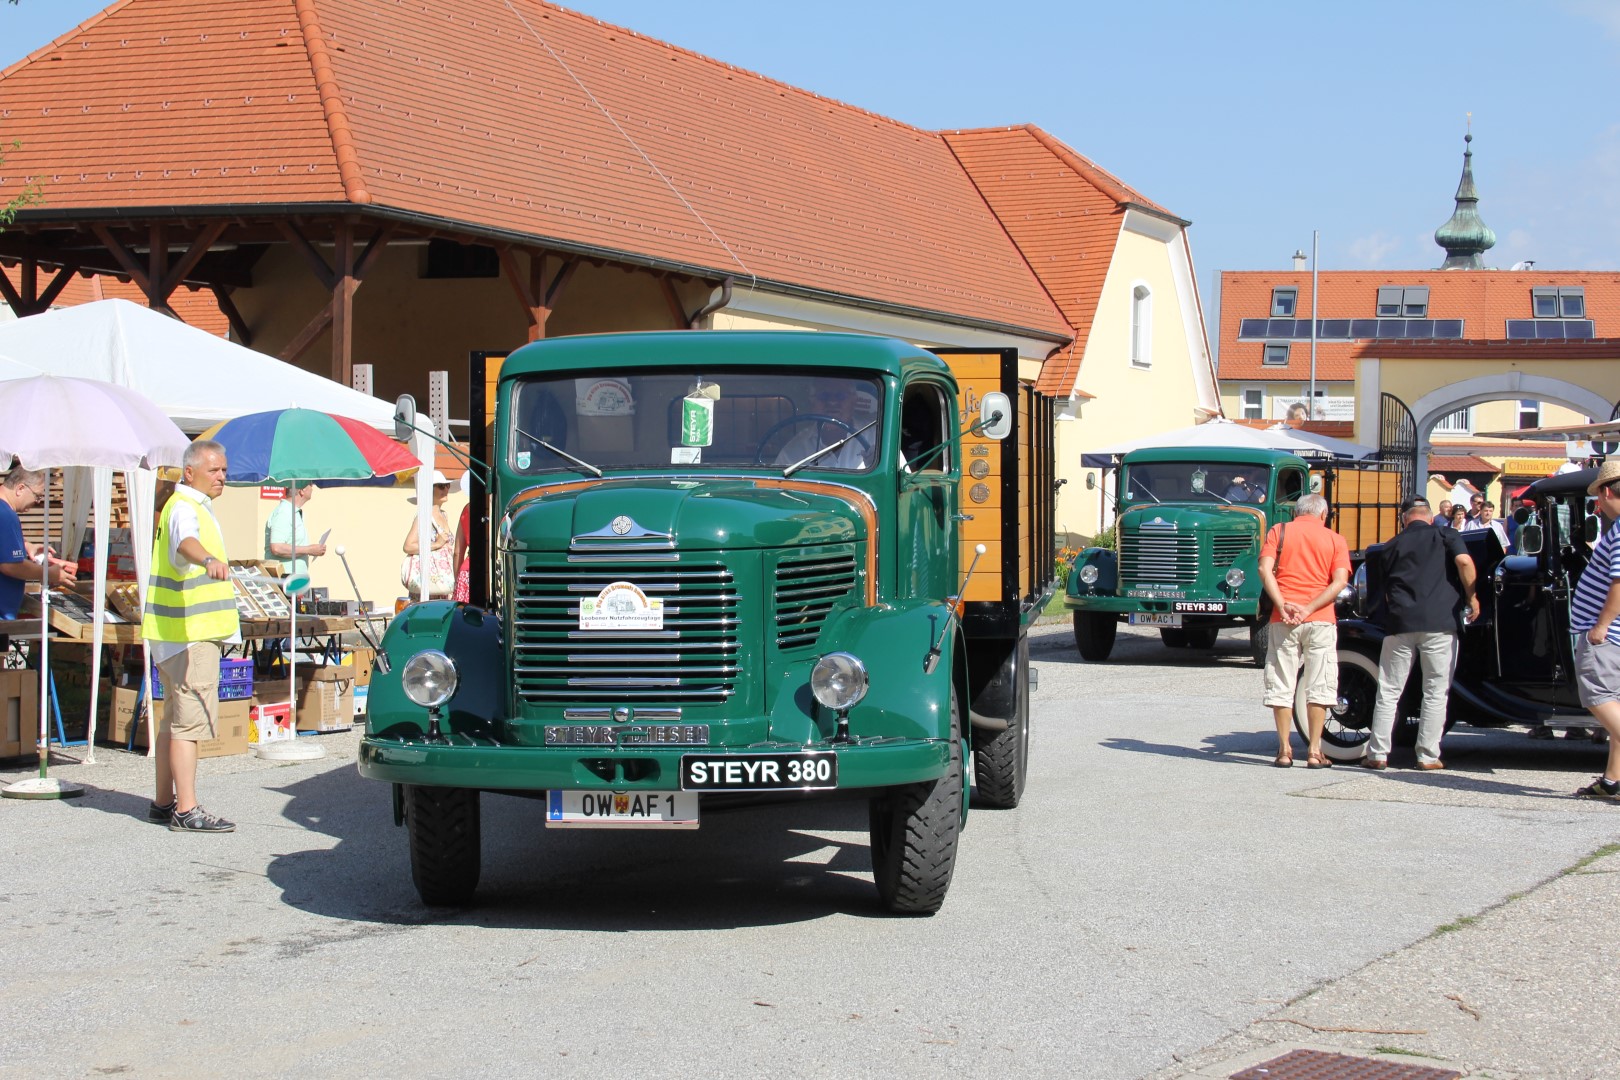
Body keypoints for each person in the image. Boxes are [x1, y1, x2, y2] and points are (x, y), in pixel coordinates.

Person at [141, 440, 240, 833]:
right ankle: (187, 808)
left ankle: (164, 801)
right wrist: (210, 560)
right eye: (214, 470)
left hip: (172, 633)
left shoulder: (183, 506)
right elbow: (186, 543)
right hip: (191, 635)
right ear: (190, 472)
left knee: (172, 721)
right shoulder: (185, 508)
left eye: (224, 470)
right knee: (188, 724)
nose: (222, 477)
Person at [1362, 497, 1479, 771]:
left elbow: (1384, 594)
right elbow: (1464, 562)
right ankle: (1427, 755)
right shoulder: (1446, 534)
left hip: (1401, 624)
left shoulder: (1391, 545)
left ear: (1404, 519)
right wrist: (1472, 598)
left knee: (1389, 690)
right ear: (1429, 516)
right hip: (1440, 623)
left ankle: (1377, 753)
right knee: (1436, 691)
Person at [1258, 492, 1351, 769]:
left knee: (1282, 683)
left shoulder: (1279, 531)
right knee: (1319, 684)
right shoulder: (1336, 539)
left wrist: (1283, 604)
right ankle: (1313, 750)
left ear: (1296, 513)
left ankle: (1285, 749)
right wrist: (1309, 608)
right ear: (1323, 515)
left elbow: (1264, 569)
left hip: (1283, 618)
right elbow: (1339, 582)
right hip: (1320, 618)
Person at [1571, 460, 1620, 801]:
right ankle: (1613, 780)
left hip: (1607, 634)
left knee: (1598, 699)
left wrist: (1600, 626)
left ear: (1604, 492)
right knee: (1614, 703)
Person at [0, 464, 78, 623]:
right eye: (37, 496)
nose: (36, 502)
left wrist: (26, 545)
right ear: (20, 488)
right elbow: (10, 565)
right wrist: (49, 573)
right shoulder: (6, 515)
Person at [775, 382, 878, 469]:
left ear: (853, 400)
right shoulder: (793, 451)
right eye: (823, 396)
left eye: (840, 396)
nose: (832, 402)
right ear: (812, 402)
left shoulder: (877, 437)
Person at [401, 469, 456, 599]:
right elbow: (408, 546)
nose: (446, 489)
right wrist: (436, 544)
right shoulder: (424, 515)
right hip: (428, 585)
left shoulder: (443, 515)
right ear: (429, 490)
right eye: (441, 486)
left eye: (447, 485)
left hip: (442, 584)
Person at [264, 484, 326, 577]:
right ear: (302, 490)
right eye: (310, 484)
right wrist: (309, 550)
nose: (312, 487)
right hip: (284, 579)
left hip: (292, 579)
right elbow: (277, 547)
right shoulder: (284, 512)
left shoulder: (293, 512)